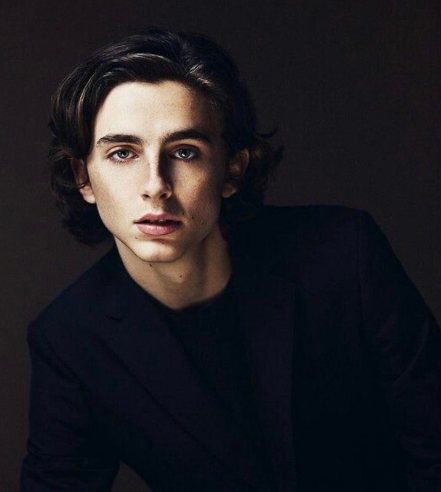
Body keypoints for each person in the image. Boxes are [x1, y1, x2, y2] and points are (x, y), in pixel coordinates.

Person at [21, 28, 441, 492]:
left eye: (185, 152)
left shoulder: (344, 255)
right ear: (83, 177)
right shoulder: (70, 341)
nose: (155, 185)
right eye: (123, 153)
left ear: (232, 171)